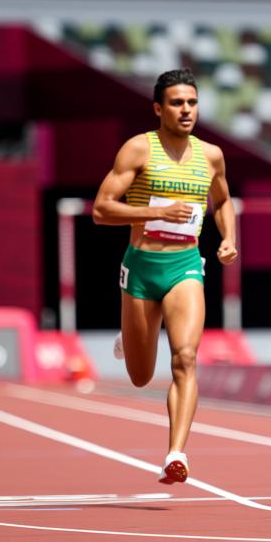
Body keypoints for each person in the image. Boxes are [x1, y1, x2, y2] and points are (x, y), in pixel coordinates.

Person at [92, 68, 238, 484]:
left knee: (185, 358)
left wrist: (228, 238)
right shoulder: (139, 149)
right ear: (158, 108)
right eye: (177, 103)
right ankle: (130, 336)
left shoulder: (211, 155)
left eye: (192, 102)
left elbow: (223, 201)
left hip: (185, 266)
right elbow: (101, 209)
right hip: (141, 268)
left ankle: (176, 453)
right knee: (140, 377)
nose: (186, 110)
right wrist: (156, 211)